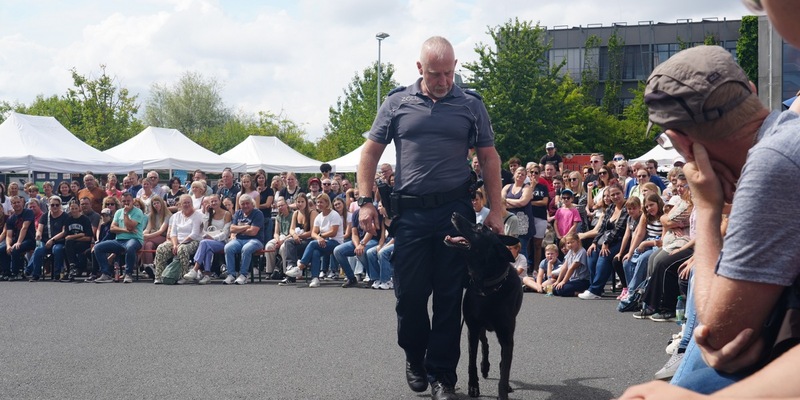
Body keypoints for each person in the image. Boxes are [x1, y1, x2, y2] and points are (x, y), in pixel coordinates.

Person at [356, 36, 504, 400]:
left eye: (449, 73)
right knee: (410, 297)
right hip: (410, 215)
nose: (443, 80)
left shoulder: (470, 105)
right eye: (435, 73)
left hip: (454, 213)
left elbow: (489, 158)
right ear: (419, 69)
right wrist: (364, 201)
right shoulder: (396, 102)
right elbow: (369, 154)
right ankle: (414, 355)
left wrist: (498, 209)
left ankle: (443, 377)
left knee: (450, 297)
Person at [578, 183, 629, 300]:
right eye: (612, 195)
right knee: (592, 253)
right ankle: (596, 288)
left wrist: (606, 243)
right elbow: (602, 228)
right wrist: (594, 242)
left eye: (618, 194)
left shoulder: (627, 208)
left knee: (604, 256)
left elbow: (619, 229)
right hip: (605, 240)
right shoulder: (611, 208)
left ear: (623, 193)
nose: (615, 197)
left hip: (621, 241)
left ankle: (594, 290)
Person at [285, 193, 343, 288]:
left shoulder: (334, 215)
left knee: (312, 244)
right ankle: (315, 278)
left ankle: (300, 267)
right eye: (317, 202)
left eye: (321, 202)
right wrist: (319, 238)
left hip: (335, 242)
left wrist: (321, 236)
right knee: (315, 252)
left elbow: (333, 232)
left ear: (327, 203)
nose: (319, 204)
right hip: (323, 241)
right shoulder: (319, 216)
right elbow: (313, 233)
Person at [92, 192, 147, 283]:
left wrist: (125, 213)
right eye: (124, 201)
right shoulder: (118, 212)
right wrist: (125, 230)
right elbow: (112, 228)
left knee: (130, 247)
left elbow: (130, 226)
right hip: (119, 240)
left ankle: (128, 273)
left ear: (132, 201)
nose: (126, 203)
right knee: (98, 247)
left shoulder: (138, 212)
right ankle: (106, 273)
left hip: (135, 239)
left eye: (128, 201)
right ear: (121, 202)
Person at [153, 195, 204, 284]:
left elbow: (194, 234)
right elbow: (173, 233)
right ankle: (159, 276)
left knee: (182, 249)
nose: (187, 204)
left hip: (193, 241)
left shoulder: (198, 215)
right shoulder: (176, 216)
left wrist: (180, 245)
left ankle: (184, 276)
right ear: (180, 204)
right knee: (161, 248)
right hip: (177, 241)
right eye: (185, 203)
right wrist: (175, 244)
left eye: (189, 202)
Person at [185, 195, 231, 284]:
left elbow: (226, 233)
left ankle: (195, 269)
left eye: (215, 201)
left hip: (222, 242)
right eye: (212, 201)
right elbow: (205, 229)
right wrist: (206, 213)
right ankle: (207, 274)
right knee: (207, 248)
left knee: (204, 243)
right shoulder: (210, 214)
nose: (213, 203)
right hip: (209, 242)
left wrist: (214, 238)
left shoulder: (226, 214)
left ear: (220, 201)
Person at [222, 194, 264, 285]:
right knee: (228, 247)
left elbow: (253, 232)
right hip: (239, 240)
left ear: (252, 204)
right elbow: (232, 229)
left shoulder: (258, 213)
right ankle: (231, 275)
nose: (245, 206)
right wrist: (246, 227)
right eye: (242, 204)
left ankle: (244, 274)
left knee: (246, 248)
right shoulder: (238, 213)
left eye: (247, 203)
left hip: (255, 240)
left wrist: (239, 229)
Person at [25, 196, 68, 281]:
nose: (55, 207)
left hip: (58, 241)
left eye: (57, 205)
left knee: (57, 249)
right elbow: (39, 229)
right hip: (45, 240)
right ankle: (36, 274)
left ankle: (57, 274)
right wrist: (38, 234)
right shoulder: (45, 216)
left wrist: (52, 240)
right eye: (52, 205)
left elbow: (64, 232)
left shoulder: (65, 216)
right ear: (49, 205)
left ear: (60, 205)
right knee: (38, 250)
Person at [277, 193, 316, 286]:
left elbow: (312, 231)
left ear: (306, 202)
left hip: (309, 241)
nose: (300, 204)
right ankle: (291, 269)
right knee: (288, 242)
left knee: (289, 243)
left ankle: (292, 272)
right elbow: (291, 229)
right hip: (298, 239)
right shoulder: (295, 213)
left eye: (302, 201)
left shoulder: (312, 213)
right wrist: (294, 235)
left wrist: (299, 236)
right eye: (298, 202)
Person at [0, 196, 36, 280]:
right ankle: (6, 272)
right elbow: (9, 235)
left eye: (18, 202)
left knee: (16, 248)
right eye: (14, 203)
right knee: (2, 249)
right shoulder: (10, 218)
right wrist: (8, 245)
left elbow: (24, 228)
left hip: (29, 240)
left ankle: (16, 272)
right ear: (11, 205)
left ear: (22, 203)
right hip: (15, 241)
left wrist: (19, 242)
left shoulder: (28, 212)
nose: (17, 204)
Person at [61, 200, 93, 281]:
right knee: (64, 248)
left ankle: (74, 267)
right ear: (69, 209)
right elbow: (66, 235)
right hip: (72, 243)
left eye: (76, 208)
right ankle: (72, 268)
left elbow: (89, 237)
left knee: (68, 244)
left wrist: (74, 237)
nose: (74, 210)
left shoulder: (85, 220)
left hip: (84, 243)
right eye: (72, 208)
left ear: (79, 208)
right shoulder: (68, 220)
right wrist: (80, 235)